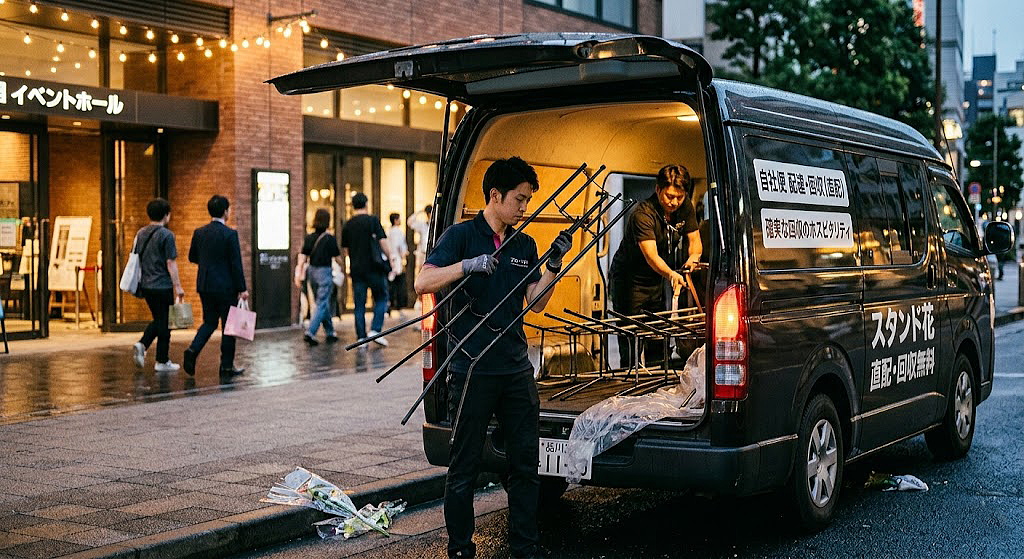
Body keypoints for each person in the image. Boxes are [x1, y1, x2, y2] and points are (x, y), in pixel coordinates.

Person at [415, 156, 572, 559]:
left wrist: (552, 265)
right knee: (464, 466)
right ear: (494, 195)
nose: (524, 208)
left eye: (527, 200)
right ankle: (461, 550)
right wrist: (466, 266)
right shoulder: (462, 235)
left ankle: (525, 545)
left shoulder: (524, 244)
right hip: (472, 367)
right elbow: (423, 280)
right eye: (519, 199)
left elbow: (535, 303)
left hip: (515, 367)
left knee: (525, 465)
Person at [609, 164, 702, 368]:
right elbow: (651, 256)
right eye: (669, 196)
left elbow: (695, 240)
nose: (674, 202)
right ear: (658, 189)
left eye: (679, 196)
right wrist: (670, 274)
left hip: (655, 280)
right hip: (629, 281)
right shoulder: (642, 214)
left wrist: (692, 259)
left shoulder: (684, 206)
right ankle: (629, 386)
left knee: (657, 335)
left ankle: (657, 388)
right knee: (631, 337)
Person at [183, 195, 249, 377]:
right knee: (229, 326)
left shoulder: (199, 232)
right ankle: (226, 366)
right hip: (226, 286)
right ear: (226, 211)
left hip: (205, 284)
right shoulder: (230, 234)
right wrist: (242, 288)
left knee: (209, 322)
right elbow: (236, 264)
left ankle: (193, 350)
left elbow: (192, 257)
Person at [131, 198, 185, 372]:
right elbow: (171, 262)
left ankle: (144, 346)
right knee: (165, 322)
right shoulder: (166, 235)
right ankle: (160, 359)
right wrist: (178, 286)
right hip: (162, 284)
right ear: (166, 215)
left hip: (146, 285)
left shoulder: (141, 233)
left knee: (160, 320)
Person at [341, 193, 392, 346]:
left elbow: (346, 250)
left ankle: (361, 338)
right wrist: (390, 258)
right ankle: (375, 330)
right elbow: (383, 242)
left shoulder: (348, 224)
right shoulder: (373, 221)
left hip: (357, 269)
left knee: (359, 304)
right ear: (366, 204)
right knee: (382, 297)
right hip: (375, 267)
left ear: (352, 206)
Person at [295, 208, 342, 346]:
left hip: (312, 272)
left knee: (322, 302)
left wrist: (298, 275)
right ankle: (311, 332)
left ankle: (330, 332)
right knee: (321, 303)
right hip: (324, 272)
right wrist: (343, 268)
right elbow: (338, 258)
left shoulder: (309, 237)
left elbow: (303, 258)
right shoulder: (329, 238)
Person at [386, 212, 410, 314]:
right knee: (399, 284)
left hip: (390, 259)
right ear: (396, 220)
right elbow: (399, 246)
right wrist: (403, 254)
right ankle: (399, 306)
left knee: (390, 284)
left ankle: (389, 306)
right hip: (397, 259)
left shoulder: (388, 231)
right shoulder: (398, 232)